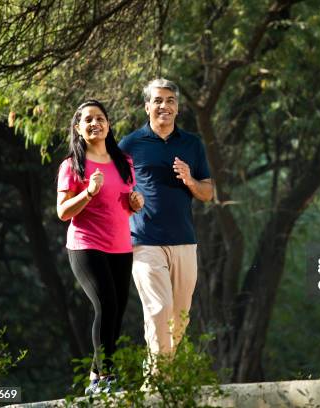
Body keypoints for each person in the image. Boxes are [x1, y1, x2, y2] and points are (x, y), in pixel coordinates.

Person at [119, 79, 213, 364]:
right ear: (147, 106)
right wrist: (129, 202)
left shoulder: (192, 144)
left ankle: (164, 380)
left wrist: (189, 180)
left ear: (177, 107)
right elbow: (116, 192)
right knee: (159, 309)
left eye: (170, 100)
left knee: (179, 318)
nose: (165, 106)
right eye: (158, 100)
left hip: (184, 241)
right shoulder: (130, 144)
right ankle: (157, 386)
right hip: (144, 240)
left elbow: (208, 193)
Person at [57, 100, 144, 395]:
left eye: (101, 118)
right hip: (86, 245)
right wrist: (89, 193)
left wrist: (135, 204)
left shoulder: (124, 162)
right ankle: (107, 376)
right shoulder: (72, 166)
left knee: (116, 312)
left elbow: (122, 204)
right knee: (105, 304)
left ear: (108, 124)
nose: (96, 123)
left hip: (120, 246)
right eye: (89, 120)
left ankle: (96, 377)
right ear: (78, 128)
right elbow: (63, 212)